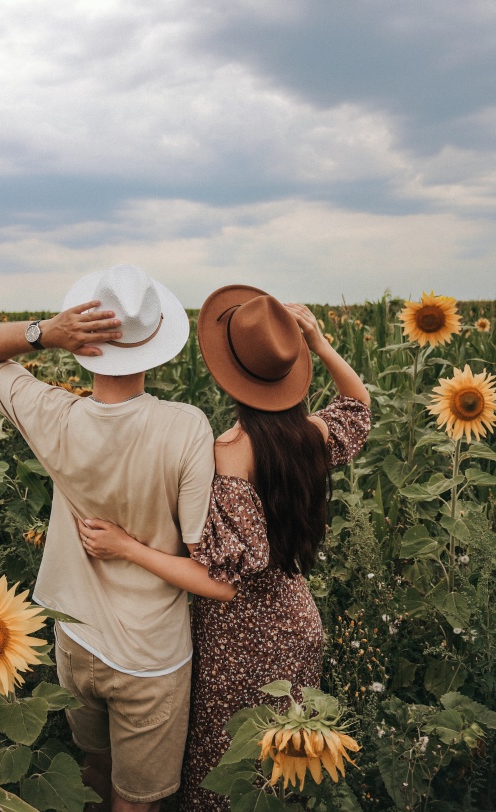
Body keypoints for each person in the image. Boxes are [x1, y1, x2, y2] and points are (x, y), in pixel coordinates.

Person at [77, 286, 372, 811]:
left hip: (238, 640)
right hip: (297, 624)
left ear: (226, 375)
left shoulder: (226, 456)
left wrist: (126, 546)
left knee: (224, 769)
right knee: (282, 762)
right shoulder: (310, 435)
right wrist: (322, 345)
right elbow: (359, 407)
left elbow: (223, 584)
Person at [0, 264, 215, 812]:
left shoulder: (53, 414)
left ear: (85, 338)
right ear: (157, 342)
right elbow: (204, 561)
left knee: (92, 771)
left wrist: (46, 332)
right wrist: (132, 548)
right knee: (135, 801)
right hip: (150, 656)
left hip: (77, 642)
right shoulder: (186, 426)